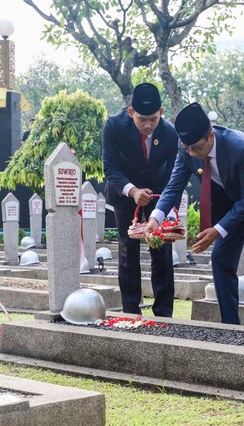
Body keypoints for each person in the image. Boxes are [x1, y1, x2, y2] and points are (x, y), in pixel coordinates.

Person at [143, 102, 244, 327]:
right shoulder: (186, 149)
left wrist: (218, 230)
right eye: (187, 148)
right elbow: (174, 186)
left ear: (210, 136)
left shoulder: (241, 147)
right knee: (220, 258)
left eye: (196, 148)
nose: (192, 153)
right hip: (234, 203)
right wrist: (156, 218)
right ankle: (230, 325)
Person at [102, 83, 178, 317]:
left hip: (158, 194)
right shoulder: (113, 126)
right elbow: (111, 167)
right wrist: (133, 191)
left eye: (153, 120)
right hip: (125, 193)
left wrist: (164, 202)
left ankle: (164, 312)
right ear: (131, 113)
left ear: (162, 113)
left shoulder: (170, 132)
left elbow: (174, 171)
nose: (147, 125)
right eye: (142, 119)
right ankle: (131, 311)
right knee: (128, 251)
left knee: (161, 249)